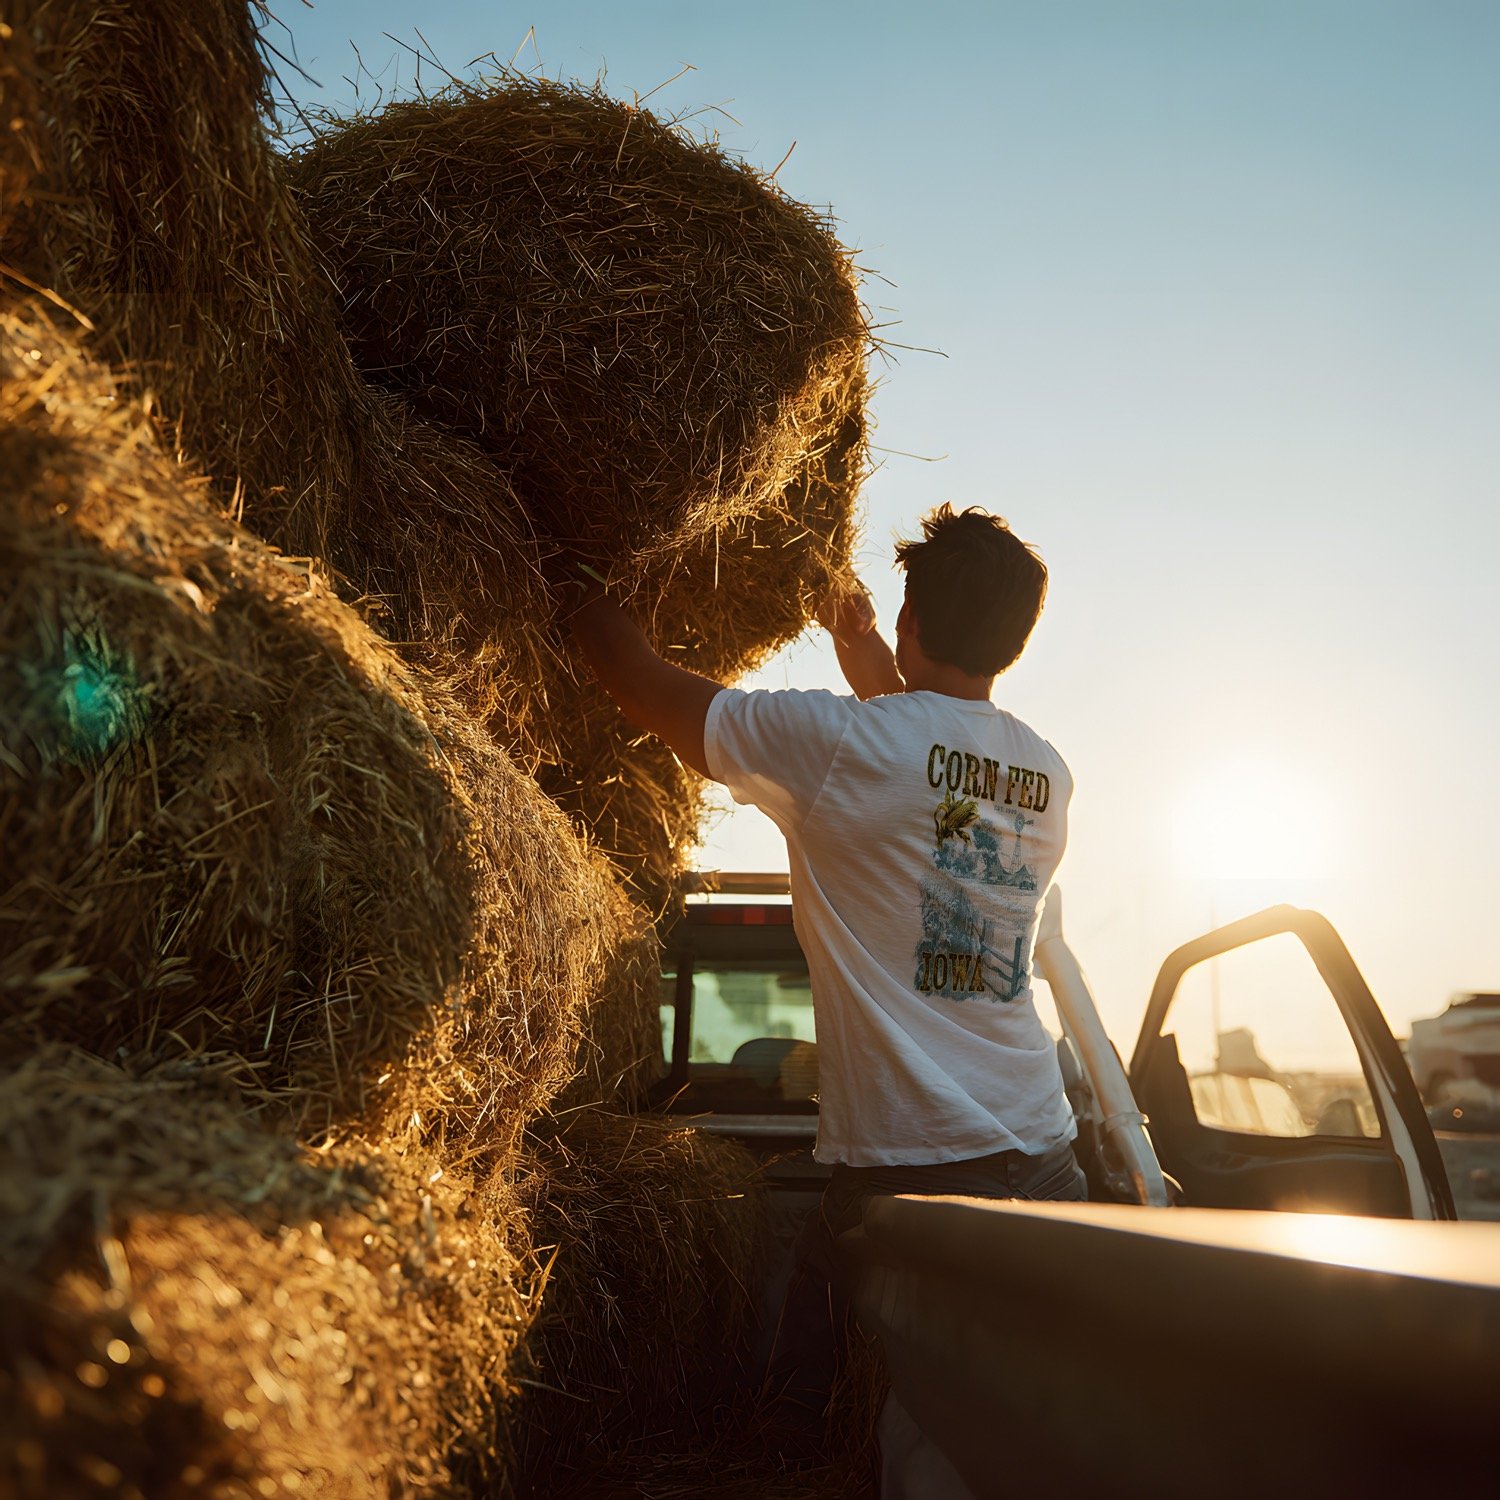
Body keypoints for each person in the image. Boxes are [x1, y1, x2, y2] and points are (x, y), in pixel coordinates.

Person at [565, 503, 1086, 1496]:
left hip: (914, 1170)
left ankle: (785, 1446)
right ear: (1015, 636)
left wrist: (574, 576)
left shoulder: (840, 746)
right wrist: (863, 647)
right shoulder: (1047, 774)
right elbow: (928, 750)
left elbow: (640, 686)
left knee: (854, 1439)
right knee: (1012, 1446)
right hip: (1043, 1149)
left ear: (912, 619)